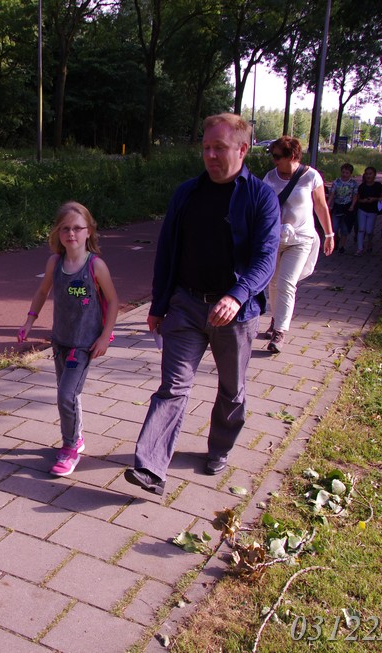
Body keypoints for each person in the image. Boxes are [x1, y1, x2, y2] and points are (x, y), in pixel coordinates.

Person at [123, 113, 280, 495]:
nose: (210, 155)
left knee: (232, 390)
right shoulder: (186, 193)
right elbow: (167, 252)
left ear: (242, 150)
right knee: (172, 387)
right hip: (186, 305)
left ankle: (219, 447)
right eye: (206, 147)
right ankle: (151, 468)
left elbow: (266, 257)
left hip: (236, 314)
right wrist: (158, 305)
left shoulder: (261, 197)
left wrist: (237, 295)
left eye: (219, 148)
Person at [18, 202, 119, 477]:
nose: (71, 233)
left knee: (66, 395)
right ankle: (77, 436)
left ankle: (70, 446)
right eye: (65, 228)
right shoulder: (55, 262)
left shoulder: (96, 266)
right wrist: (29, 320)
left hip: (84, 344)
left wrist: (105, 337)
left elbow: (112, 301)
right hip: (60, 340)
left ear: (89, 231)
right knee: (68, 394)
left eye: (77, 228)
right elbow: (42, 292)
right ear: (57, 232)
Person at [260, 136, 335, 353]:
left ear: (292, 156)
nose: (274, 160)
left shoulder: (311, 176)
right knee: (273, 283)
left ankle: (280, 332)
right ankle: (276, 318)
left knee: (286, 283)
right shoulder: (270, 178)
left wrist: (329, 234)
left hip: (301, 239)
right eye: (273, 156)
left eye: (277, 156)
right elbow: (262, 208)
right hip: (275, 239)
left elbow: (321, 206)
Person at [326, 163, 359, 254]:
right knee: (334, 227)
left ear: (350, 174)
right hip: (337, 206)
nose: (344, 174)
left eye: (347, 173)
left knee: (345, 228)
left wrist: (352, 205)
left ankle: (342, 246)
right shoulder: (336, 182)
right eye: (343, 172)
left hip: (347, 207)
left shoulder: (353, 183)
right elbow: (332, 194)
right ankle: (336, 239)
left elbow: (355, 195)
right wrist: (327, 205)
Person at [354, 166, 382, 256]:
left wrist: (375, 199)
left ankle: (369, 242)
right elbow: (358, 199)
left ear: (374, 175)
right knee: (361, 229)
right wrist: (363, 201)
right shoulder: (362, 186)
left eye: (370, 174)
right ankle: (360, 249)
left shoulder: (378, 186)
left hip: (372, 211)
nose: (368, 176)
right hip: (362, 210)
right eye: (367, 174)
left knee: (369, 230)